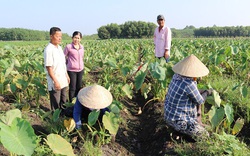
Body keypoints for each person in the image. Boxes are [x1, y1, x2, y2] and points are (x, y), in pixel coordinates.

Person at [164, 54, 212, 138]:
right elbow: (200, 100)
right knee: (205, 135)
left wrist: (202, 91)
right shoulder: (188, 83)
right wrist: (207, 92)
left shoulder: (176, 77)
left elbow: (191, 92)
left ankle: (178, 131)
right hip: (179, 121)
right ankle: (181, 133)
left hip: (169, 117)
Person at [44, 27, 70, 111]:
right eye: (57, 36)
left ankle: (63, 116)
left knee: (63, 99)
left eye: (61, 36)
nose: (60, 38)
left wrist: (67, 75)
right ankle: (55, 120)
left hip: (62, 78)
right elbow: (49, 68)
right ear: (51, 36)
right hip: (55, 80)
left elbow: (62, 64)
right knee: (56, 101)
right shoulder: (49, 49)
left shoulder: (59, 48)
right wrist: (55, 81)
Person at [64, 31, 84, 102]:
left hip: (80, 70)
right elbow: (64, 57)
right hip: (71, 70)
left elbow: (82, 57)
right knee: (72, 88)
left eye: (78, 38)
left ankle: (78, 102)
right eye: (75, 38)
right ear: (72, 38)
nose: (76, 40)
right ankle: (72, 103)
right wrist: (67, 64)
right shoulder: (68, 47)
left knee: (79, 87)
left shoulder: (82, 47)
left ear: (80, 39)